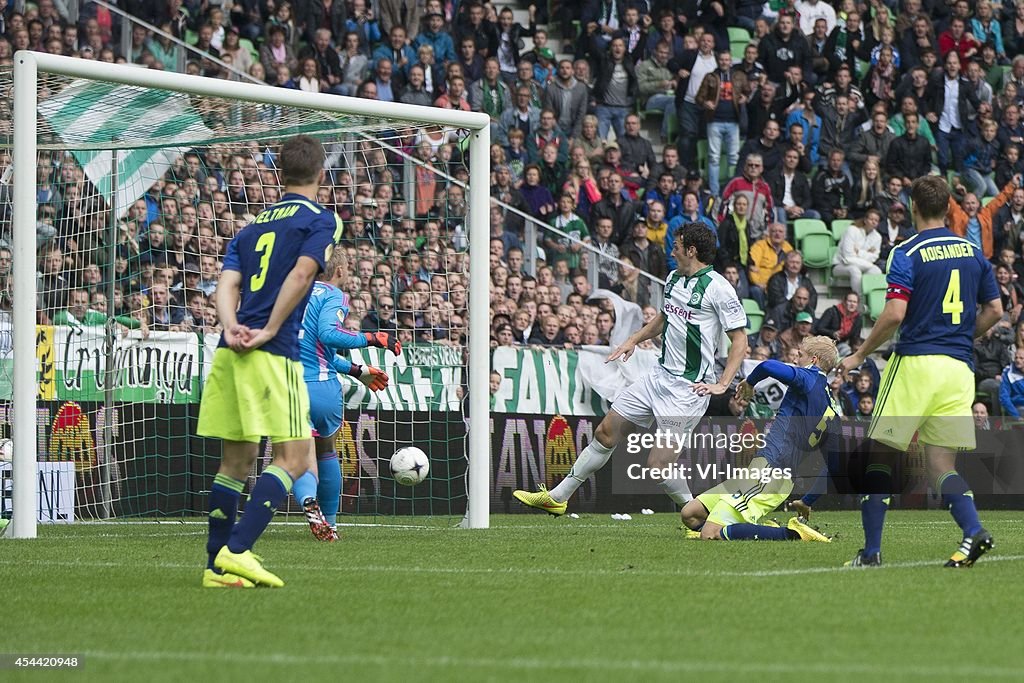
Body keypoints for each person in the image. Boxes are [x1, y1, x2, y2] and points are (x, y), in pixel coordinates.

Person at [512, 224, 748, 514]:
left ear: (691, 250)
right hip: (657, 378)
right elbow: (665, 318)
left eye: (677, 245)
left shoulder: (719, 288)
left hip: (687, 392)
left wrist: (723, 384)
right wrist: (633, 339)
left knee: (658, 465)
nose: (671, 249)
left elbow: (739, 339)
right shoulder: (673, 278)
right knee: (605, 433)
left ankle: (696, 516)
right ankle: (558, 497)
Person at [197, 135, 343, 589]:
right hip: (271, 354)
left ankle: (215, 569)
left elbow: (225, 283)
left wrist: (230, 325)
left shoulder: (251, 226)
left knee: (234, 465)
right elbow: (302, 274)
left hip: (230, 351)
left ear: (280, 174)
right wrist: (271, 328)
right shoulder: (322, 219)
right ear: (322, 175)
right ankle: (236, 550)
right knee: (296, 458)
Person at [838, 175, 1003, 568]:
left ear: (913, 207)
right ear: (950, 208)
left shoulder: (906, 250)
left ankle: (871, 552)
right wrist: (963, 337)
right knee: (941, 466)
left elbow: (896, 313)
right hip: (959, 370)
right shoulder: (973, 251)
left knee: (878, 458)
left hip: (916, 364)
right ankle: (973, 531)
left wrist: (859, 354)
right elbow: (996, 309)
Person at [681, 336, 840, 542]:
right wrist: (807, 501)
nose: (795, 360)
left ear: (814, 360)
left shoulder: (809, 378)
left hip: (770, 474)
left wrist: (750, 382)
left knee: (709, 534)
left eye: (800, 355)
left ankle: (793, 534)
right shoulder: (833, 409)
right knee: (690, 515)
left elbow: (768, 366)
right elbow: (834, 465)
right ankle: (753, 527)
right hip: (766, 473)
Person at [295, 248, 400, 541]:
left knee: (295, 457)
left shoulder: (295, 292)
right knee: (326, 451)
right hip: (322, 387)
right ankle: (330, 523)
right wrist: (373, 338)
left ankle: (305, 501)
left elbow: (317, 349)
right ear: (340, 271)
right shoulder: (333, 295)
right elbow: (329, 335)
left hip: (288, 387)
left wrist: (357, 370)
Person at [832, 209, 882, 294]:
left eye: (876, 220)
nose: (873, 222)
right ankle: (858, 298)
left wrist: (858, 252)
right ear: (865, 220)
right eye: (871, 219)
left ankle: (867, 297)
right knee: (855, 270)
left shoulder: (878, 237)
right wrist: (866, 253)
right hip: (841, 265)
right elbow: (847, 256)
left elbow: (874, 258)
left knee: (876, 271)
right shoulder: (852, 230)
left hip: (863, 265)